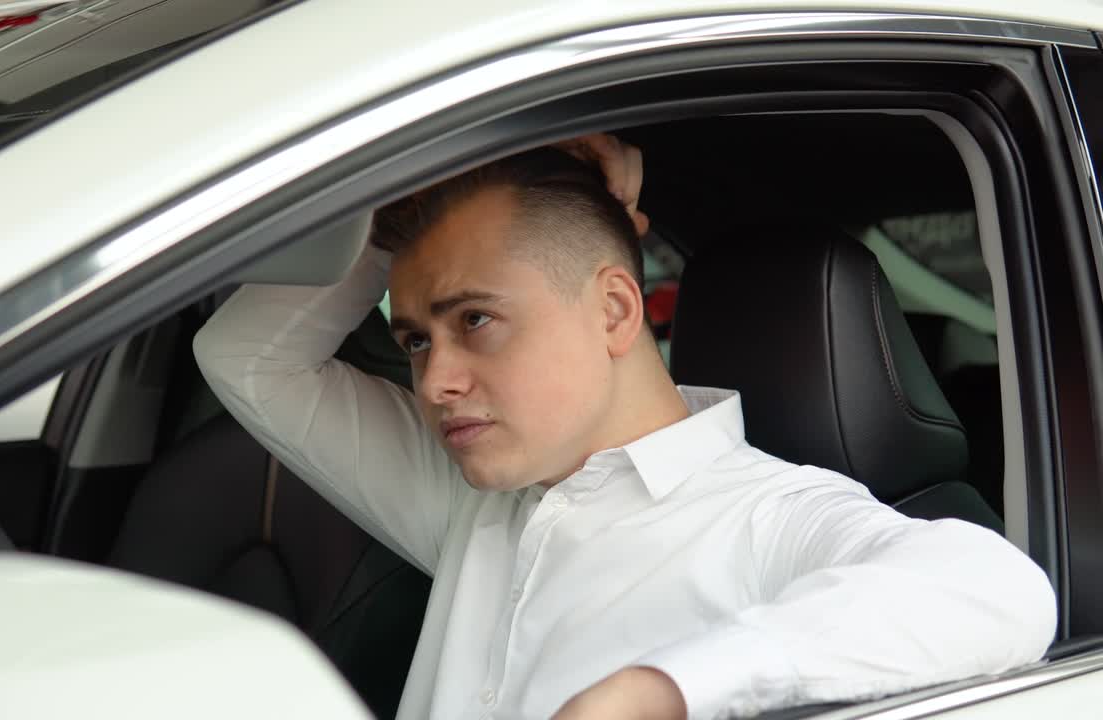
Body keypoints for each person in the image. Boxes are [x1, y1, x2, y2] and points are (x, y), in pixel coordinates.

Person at [193, 134, 1056, 720]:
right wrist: (396, 218)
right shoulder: (472, 499)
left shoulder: (764, 515)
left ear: (614, 308)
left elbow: (999, 593)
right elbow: (247, 358)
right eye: (417, 340)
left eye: (476, 321)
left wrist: (658, 690)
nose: (436, 381)